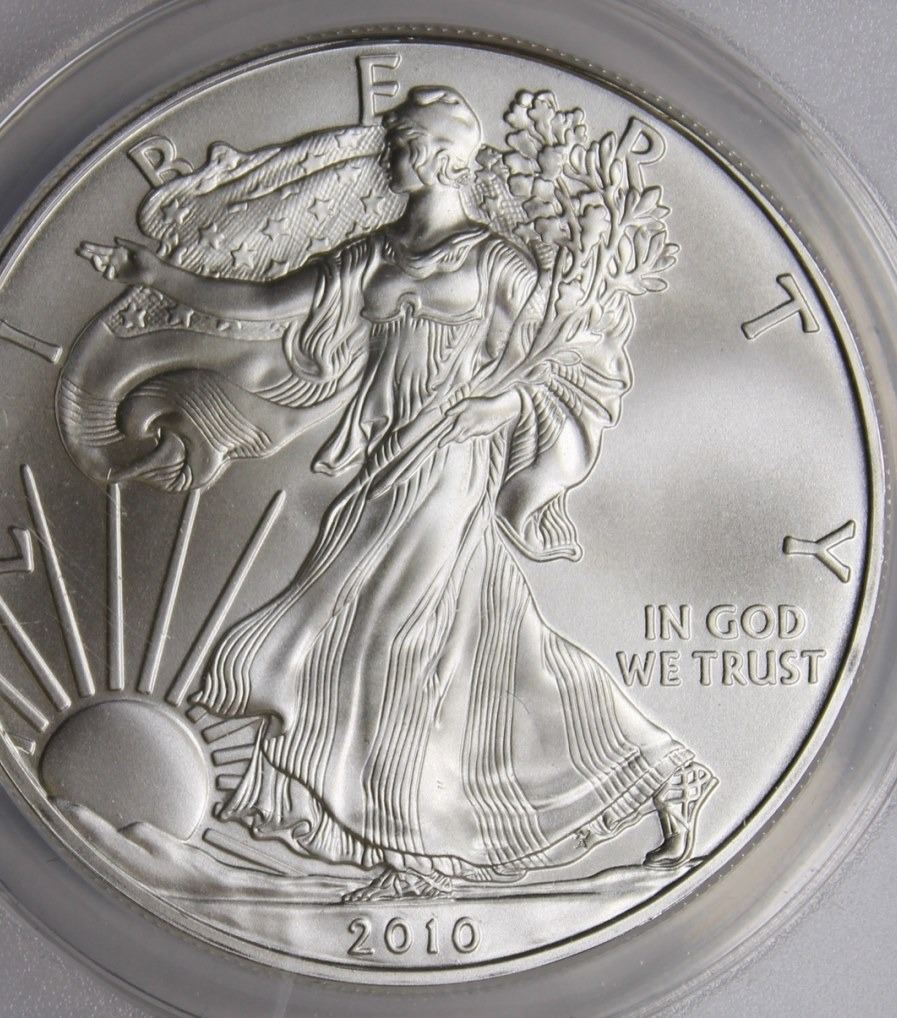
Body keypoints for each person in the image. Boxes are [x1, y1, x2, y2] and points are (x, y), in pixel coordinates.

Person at [80, 86, 716, 901]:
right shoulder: (375, 255)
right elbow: (271, 304)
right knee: (484, 647)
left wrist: (505, 405)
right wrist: (161, 275)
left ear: (446, 158)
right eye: (394, 141)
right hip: (385, 466)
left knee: (390, 639)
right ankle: (660, 771)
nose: (391, 156)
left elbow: (573, 359)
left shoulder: (496, 264)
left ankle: (415, 857)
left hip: (453, 465)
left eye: (406, 143)